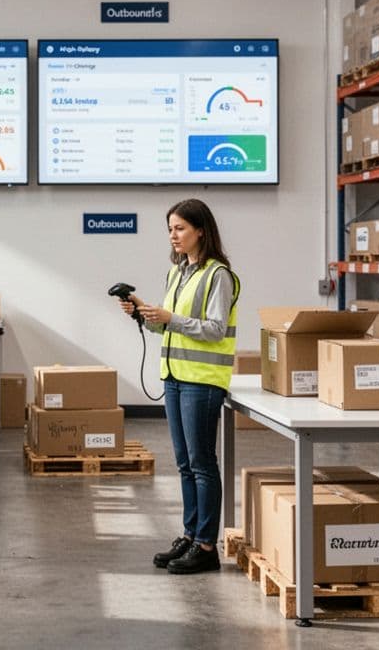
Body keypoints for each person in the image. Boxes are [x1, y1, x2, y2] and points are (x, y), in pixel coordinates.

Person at [118, 199, 240, 575]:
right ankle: (190, 536)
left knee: (202, 464)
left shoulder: (219, 275)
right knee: (185, 464)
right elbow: (170, 326)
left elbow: (215, 329)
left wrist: (171, 318)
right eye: (170, 229)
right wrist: (145, 315)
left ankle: (206, 546)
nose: (173, 235)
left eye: (180, 228)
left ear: (201, 230)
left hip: (202, 381)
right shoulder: (178, 272)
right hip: (174, 376)